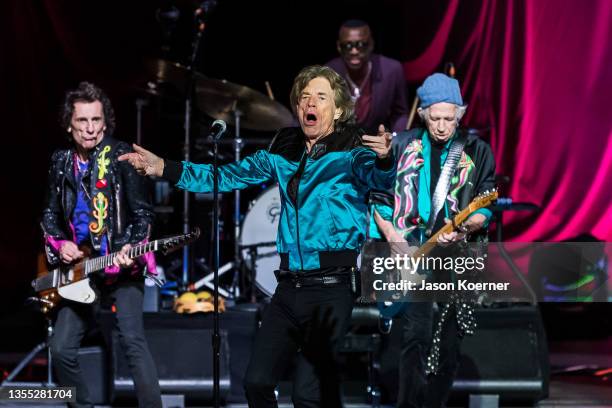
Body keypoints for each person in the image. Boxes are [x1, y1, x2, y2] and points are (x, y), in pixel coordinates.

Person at [119, 65, 395, 408]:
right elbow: (226, 175)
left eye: (321, 97)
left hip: (331, 289)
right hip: (289, 287)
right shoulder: (285, 146)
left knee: (307, 395)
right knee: (256, 383)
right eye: (304, 96)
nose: (311, 102)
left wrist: (385, 160)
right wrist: (165, 167)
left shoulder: (354, 148)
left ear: (337, 109)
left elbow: (379, 181)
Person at [371, 73, 496, 407]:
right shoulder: (400, 146)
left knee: (451, 343)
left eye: (449, 118)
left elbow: (486, 202)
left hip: (456, 257)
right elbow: (378, 200)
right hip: (411, 253)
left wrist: (469, 225)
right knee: (415, 334)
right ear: (423, 113)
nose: (442, 126)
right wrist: (393, 237)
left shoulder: (475, 150)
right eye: (436, 118)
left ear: (460, 114)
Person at [41, 82, 162, 408]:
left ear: (105, 122)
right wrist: (61, 244)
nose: (90, 128)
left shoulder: (122, 157)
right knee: (61, 347)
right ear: (69, 124)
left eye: (96, 120)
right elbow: (50, 215)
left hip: (123, 266)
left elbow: (143, 214)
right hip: (84, 267)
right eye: (82, 121)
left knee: (132, 341)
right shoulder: (61, 161)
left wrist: (130, 246)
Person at [327, 19, 409, 134]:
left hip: (378, 144)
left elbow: (400, 113)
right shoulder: (330, 71)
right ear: (339, 47)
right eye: (347, 46)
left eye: (361, 45)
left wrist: (395, 139)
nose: (354, 51)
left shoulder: (391, 70)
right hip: (340, 146)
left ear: (371, 45)